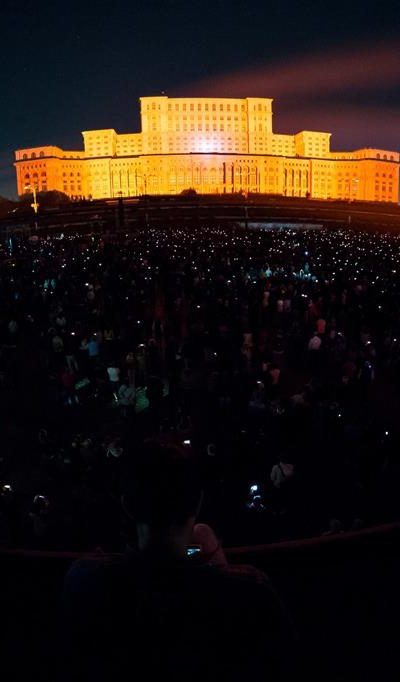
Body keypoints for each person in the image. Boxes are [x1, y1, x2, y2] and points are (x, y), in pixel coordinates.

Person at [62, 441, 296, 682]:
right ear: (198, 502)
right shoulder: (251, 589)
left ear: (127, 505)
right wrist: (216, 561)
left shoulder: (85, 579)